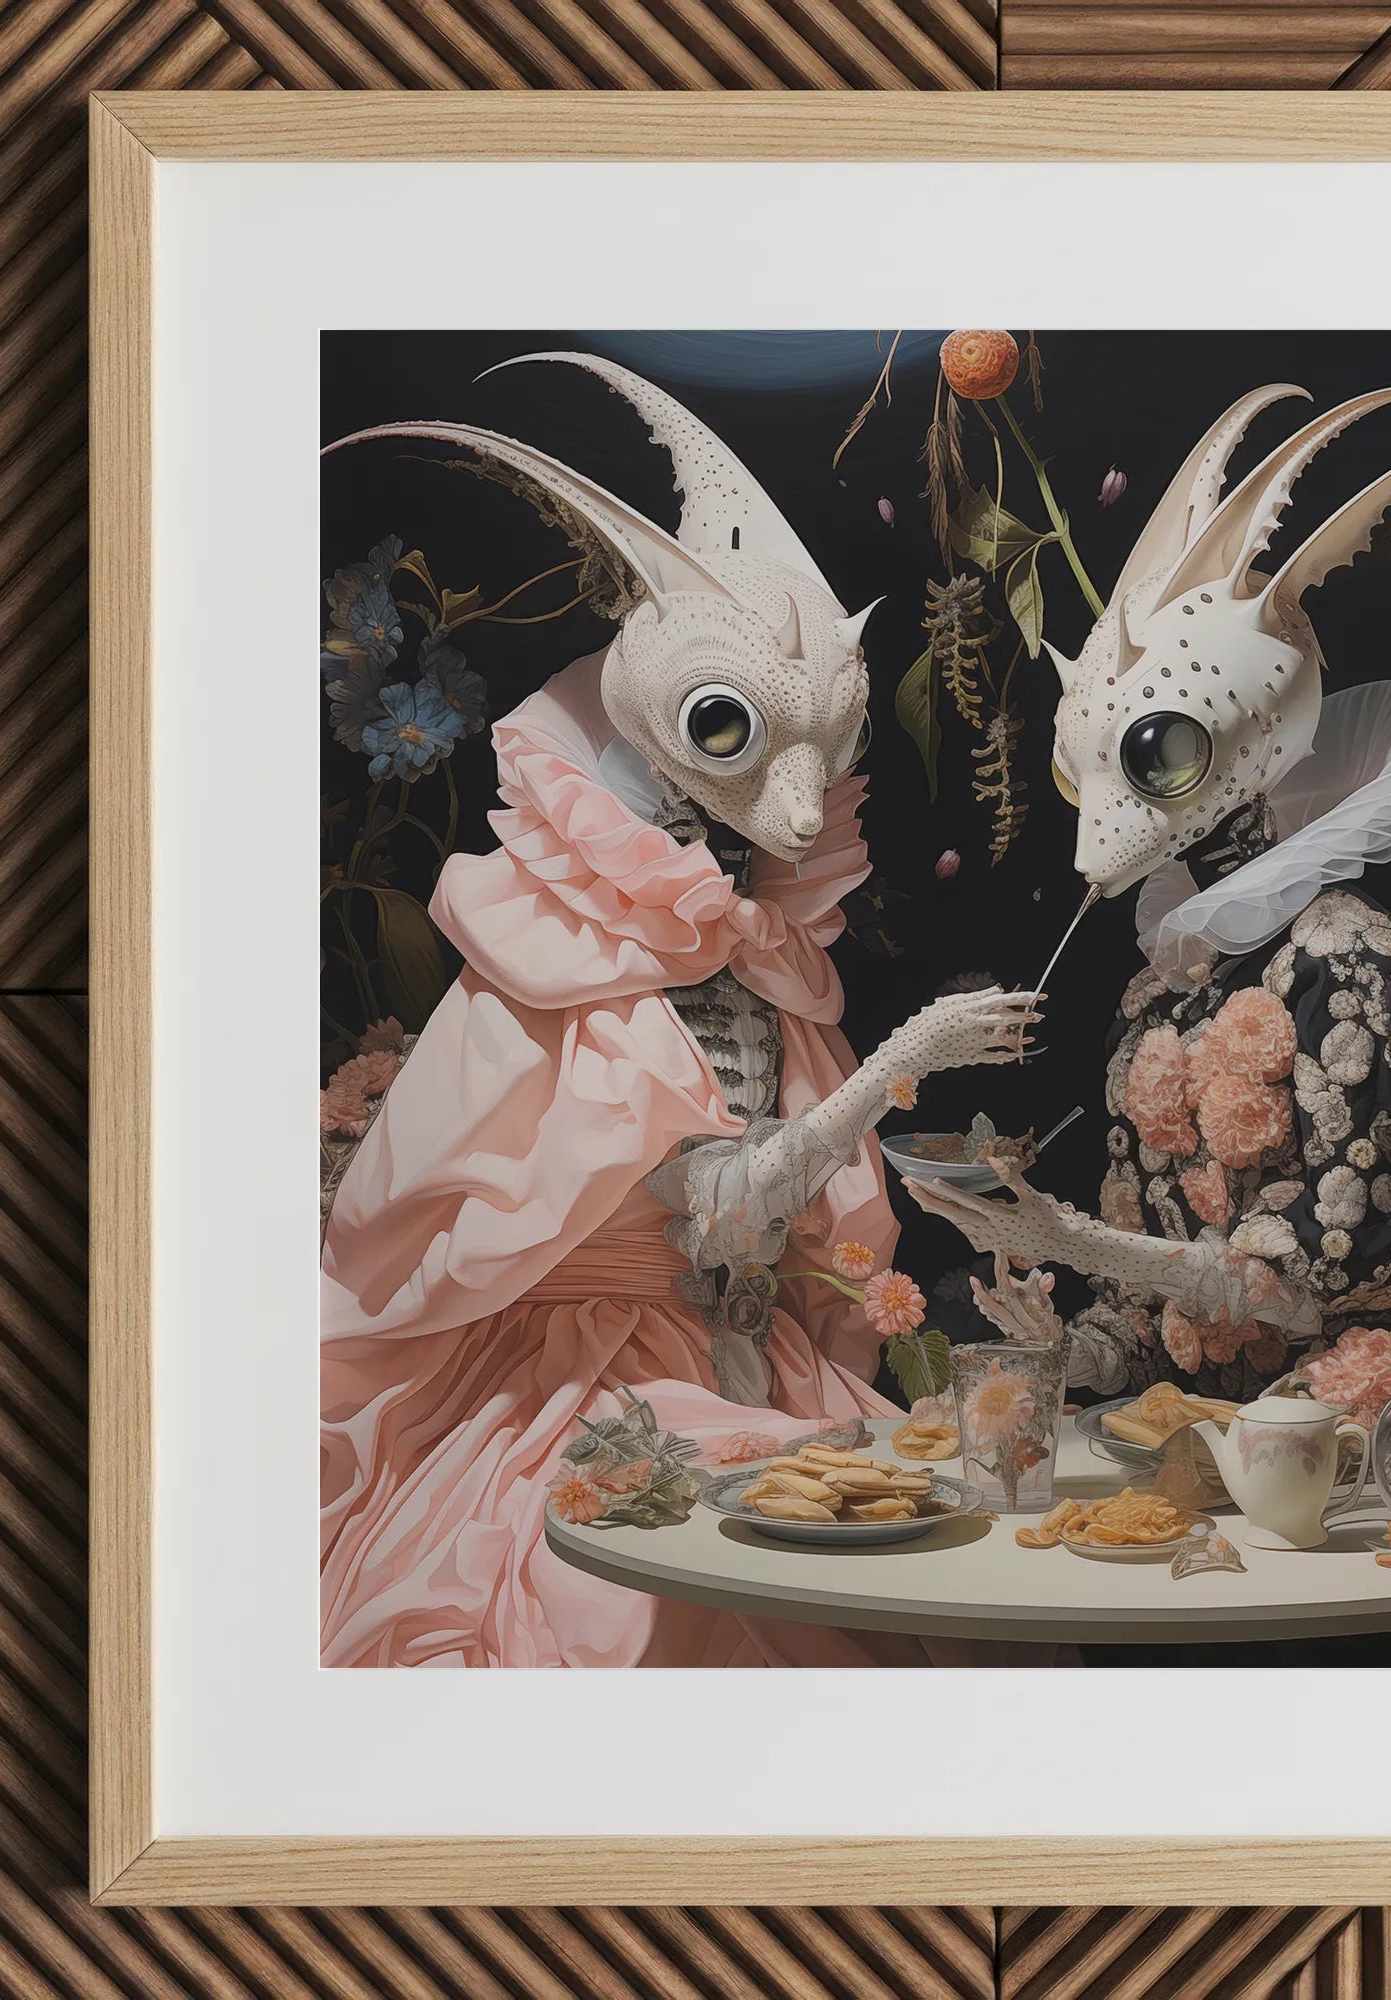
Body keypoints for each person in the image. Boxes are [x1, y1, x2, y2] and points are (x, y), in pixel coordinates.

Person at [320, 358, 1039, 1667]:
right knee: (648, 1592)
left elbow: (788, 1237)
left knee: (934, 1557)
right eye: (736, 733)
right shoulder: (550, 970)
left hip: (749, 1355)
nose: (801, 810)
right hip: (582, 1376)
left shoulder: (762, 955)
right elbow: (720, 1204)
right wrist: (905, 1058)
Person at [907, 385, 1391, 1534]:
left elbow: (1305, 1278)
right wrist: (1066, 1337)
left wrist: (1066, 1235)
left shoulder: (1353, 964)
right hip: (1230, 1441)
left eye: (1148, 757)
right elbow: (1168, 1292)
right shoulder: (1166, 982)